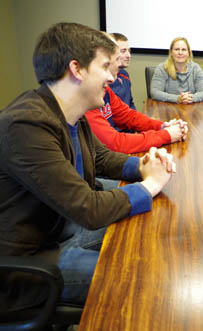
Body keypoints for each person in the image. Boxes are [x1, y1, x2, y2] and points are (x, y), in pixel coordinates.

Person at [0, 22, 176, 310]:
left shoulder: (69, 112)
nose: (112, 75)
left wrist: (144, 164)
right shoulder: (26, 124)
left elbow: (100, 158)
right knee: (144, 276)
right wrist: (151, 184)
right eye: (106, 66)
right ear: (76, 69)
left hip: (61, 229)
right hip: (26, 263)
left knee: (149, 241)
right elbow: (88, 208)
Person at [85, 33, 188, 154]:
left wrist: (162, 126)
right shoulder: (86, 100)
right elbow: (115, 143)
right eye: (108, 64)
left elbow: (128, 116)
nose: (120, 64)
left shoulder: (106, 89)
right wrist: (166, 134)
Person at [151, 37, 203, 104]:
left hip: (191, 109)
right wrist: (177, 99)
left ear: (188, 53)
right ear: (171, 52)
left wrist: (191, 98)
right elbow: (155, 92)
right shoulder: (162, 68)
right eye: (177, 49)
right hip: (167, 109)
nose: (180, 53)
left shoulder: (195, 68)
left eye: (183, 50)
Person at [109, 32, 136, 109]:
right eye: (123, 51)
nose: (129, 56)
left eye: (129, 51)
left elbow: (130, 104)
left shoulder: (124, 74)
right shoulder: (105, 81)